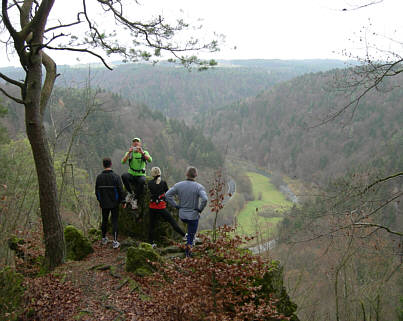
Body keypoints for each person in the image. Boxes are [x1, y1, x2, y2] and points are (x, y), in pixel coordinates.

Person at [165, 166, 208, 257]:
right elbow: (205, 199)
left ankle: (188, 240)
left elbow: (167, 195)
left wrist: (176, 205)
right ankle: (188, 254)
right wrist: (200, 209)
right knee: (191, 235)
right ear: (196, 175)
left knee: (188, 230)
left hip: (182, 215)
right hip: (193, 216)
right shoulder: (199, 187)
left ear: (186, 174)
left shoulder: (179, 185)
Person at [148, 167, 186, 246]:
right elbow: (167, 193)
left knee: (151, 225)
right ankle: (184, 235)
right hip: (161, 207)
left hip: (152, 206)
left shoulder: (149, 183)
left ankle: (151, 242)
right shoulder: (163, 182)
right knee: (172, 222)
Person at [95, 157, 126, 249]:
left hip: (104, 202)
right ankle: (115, 241)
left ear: (103, 165)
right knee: (114, 221)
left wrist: (100, 201)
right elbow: (121, 190)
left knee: (104, 220)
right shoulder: (116, 176)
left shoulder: (99, 177)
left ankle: (104, 238)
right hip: (114, 203)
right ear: (111, 164)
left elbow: (97, 191)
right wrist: (123, 201)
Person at [121, 137, 152, 209]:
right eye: (134, 142)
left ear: (140, 144)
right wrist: (129, 152)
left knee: (142, 181)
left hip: (141, 174)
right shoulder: (130, 153)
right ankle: (130, 192)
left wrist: (142, 153)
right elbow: (123, 162)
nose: (135, 143)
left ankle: (135, 198)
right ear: (132, 144)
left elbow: (150, 160)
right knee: (124, 176)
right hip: (131, 173)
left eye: (137, 142)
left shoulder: (144, 152)